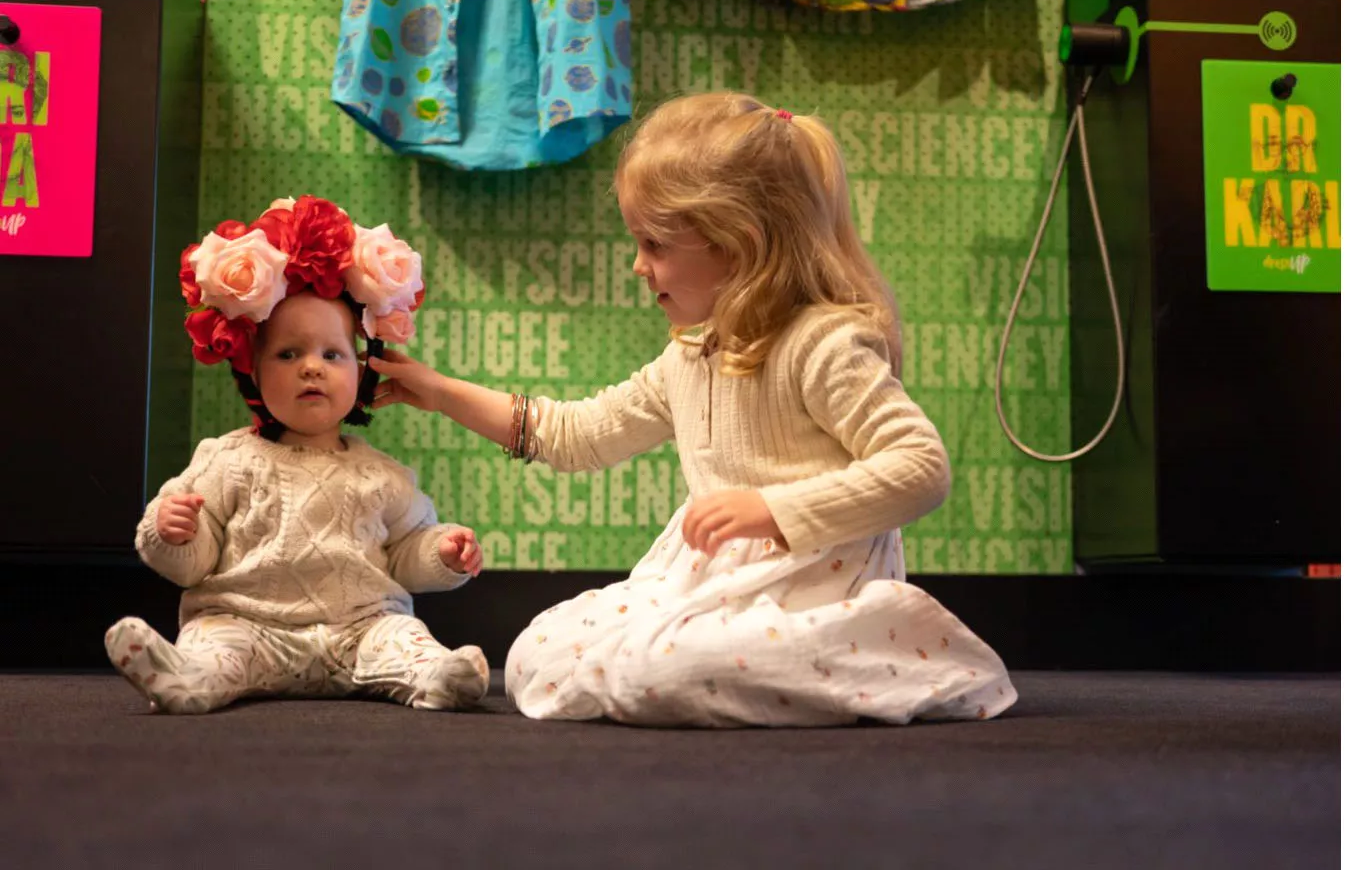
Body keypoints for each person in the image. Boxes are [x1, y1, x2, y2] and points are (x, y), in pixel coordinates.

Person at [370, 93, 1018, 728]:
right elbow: (577, 434)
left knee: (662, 669)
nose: (637, 265)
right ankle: (715, 671)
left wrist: (771, 509)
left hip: (812, 587)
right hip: (706, 586)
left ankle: (872, 654)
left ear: (737, 246)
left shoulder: (822, 342)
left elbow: (921, 468)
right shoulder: (689, 352)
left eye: (653, 244)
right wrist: (437, 391)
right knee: (534, 651)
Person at [105, 196, 489, 715]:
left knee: (402, 635)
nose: (312, 368)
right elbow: (192, 567)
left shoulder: (383, 475)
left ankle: (437, 676)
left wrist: (443, 553)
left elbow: (404, 554)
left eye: (332, 354)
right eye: (288, 354)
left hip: (360, 629)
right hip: (250, 626)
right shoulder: (226, 462)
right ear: (254, 373)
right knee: (216, 643)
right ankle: (188, 678)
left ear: (361, 373)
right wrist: (173, 531)